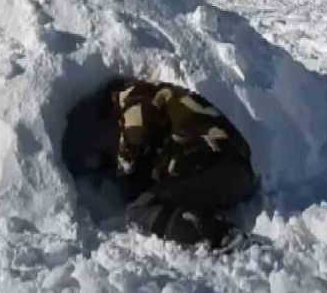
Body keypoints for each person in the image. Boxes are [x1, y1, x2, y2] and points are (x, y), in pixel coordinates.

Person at [61, 77, 256, 249]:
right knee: (162, 198)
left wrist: (123, 175)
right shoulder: (162, 99)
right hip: (233, 168)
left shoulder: (132, 96)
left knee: (141, 210)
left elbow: (134, 138)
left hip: (211, 160)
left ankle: (221, 237)